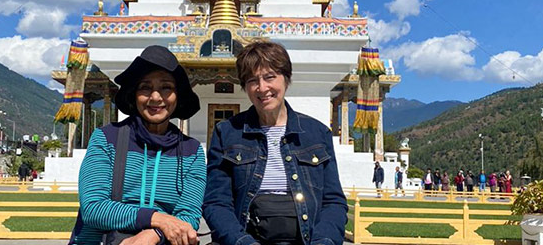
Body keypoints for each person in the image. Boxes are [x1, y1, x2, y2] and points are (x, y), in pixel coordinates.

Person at [203, 41, 347, 245]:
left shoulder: (317, 133)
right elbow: (217, 202)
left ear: (286, 79)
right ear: (245, 87)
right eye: (252, 80)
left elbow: (333, 202)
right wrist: (242, 241)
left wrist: (323, 241)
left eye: (270, 77)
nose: (262, 88)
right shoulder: (226, 133)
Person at [71, 45, 206, 245]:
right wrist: (157, 219)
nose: (156, 97)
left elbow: (189, 215)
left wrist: (153, 234)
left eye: (166, 87)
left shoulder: (191, 151)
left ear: (178, 96)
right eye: (145, 87)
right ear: (134, 94)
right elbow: (93, 207)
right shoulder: (106, 139)